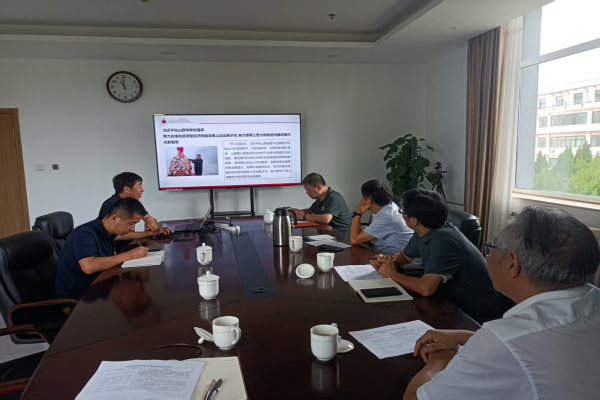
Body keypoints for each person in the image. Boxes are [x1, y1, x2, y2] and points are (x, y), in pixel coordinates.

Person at [403, 206, 600, 400]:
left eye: (492, 248)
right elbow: (540, 348)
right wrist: (468, 337)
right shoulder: (593, 296)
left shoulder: (504, 340)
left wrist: (439, 360)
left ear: (512, 264)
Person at [370, 188, 499, 319]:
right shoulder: (425, 230)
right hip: (449, 300)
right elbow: (405, 256)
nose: (401, 215)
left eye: (402, 212)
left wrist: (392, 274)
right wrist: (386, 261)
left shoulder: (443, 239)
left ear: (414, 220)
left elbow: (426, 289)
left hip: (476, 312)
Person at [56, 198, 171, 299]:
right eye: (131, 223)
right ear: (115, 218)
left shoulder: (107, 232)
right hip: (81, 297)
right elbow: (89, 266)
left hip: (99, 284)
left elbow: (124, 238)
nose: (132, 229)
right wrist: (130, 255)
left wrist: (151, 233)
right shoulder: (85, 234)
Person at [350, 180, 413, 255]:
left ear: (369, 201)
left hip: (399, 260)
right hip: (383, 254)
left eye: (362, 196)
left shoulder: (386, 216)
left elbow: (354, 240)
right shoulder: (387, 208)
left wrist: (357, 213)